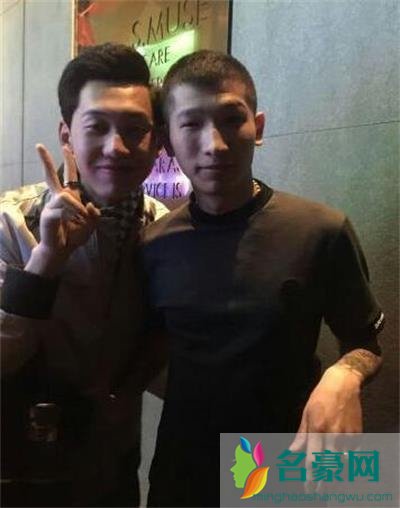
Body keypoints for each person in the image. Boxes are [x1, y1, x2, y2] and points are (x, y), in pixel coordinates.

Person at [140, 50, 384, 507]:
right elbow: (142, 354)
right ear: (168, 142)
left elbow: (365, 343)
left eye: (232, 119)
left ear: (259, 126)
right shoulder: (153, 246)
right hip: (183, 472)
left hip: (285, 470)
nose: (215, 144)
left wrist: (344, 374)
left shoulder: (320, 230)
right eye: (191, 124)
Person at [0, 43, 168, 507]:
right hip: (17, 474)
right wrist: (46, 260)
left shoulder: (162, 230)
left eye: (135, 129)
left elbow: (171, 367)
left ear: (156, 141)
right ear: (66, 135)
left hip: (111, 472)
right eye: (97, 127)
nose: (117, 147)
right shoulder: (11, 223)